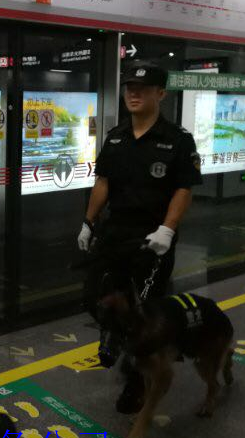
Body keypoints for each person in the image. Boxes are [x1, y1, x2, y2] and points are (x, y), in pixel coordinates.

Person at [77, 64, 203, 414]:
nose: (133, 93)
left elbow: (184, 189)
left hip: (153, 238)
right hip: (115, 232)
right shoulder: (116, 137)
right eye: (129, 87)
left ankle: (136, 383)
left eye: (143, 88)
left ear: (160, 94)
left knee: (147, 313)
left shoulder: (178, 140)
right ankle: (113, 333)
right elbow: (103, 182)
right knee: (93, 295)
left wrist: (168, 229)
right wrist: (88, 222)